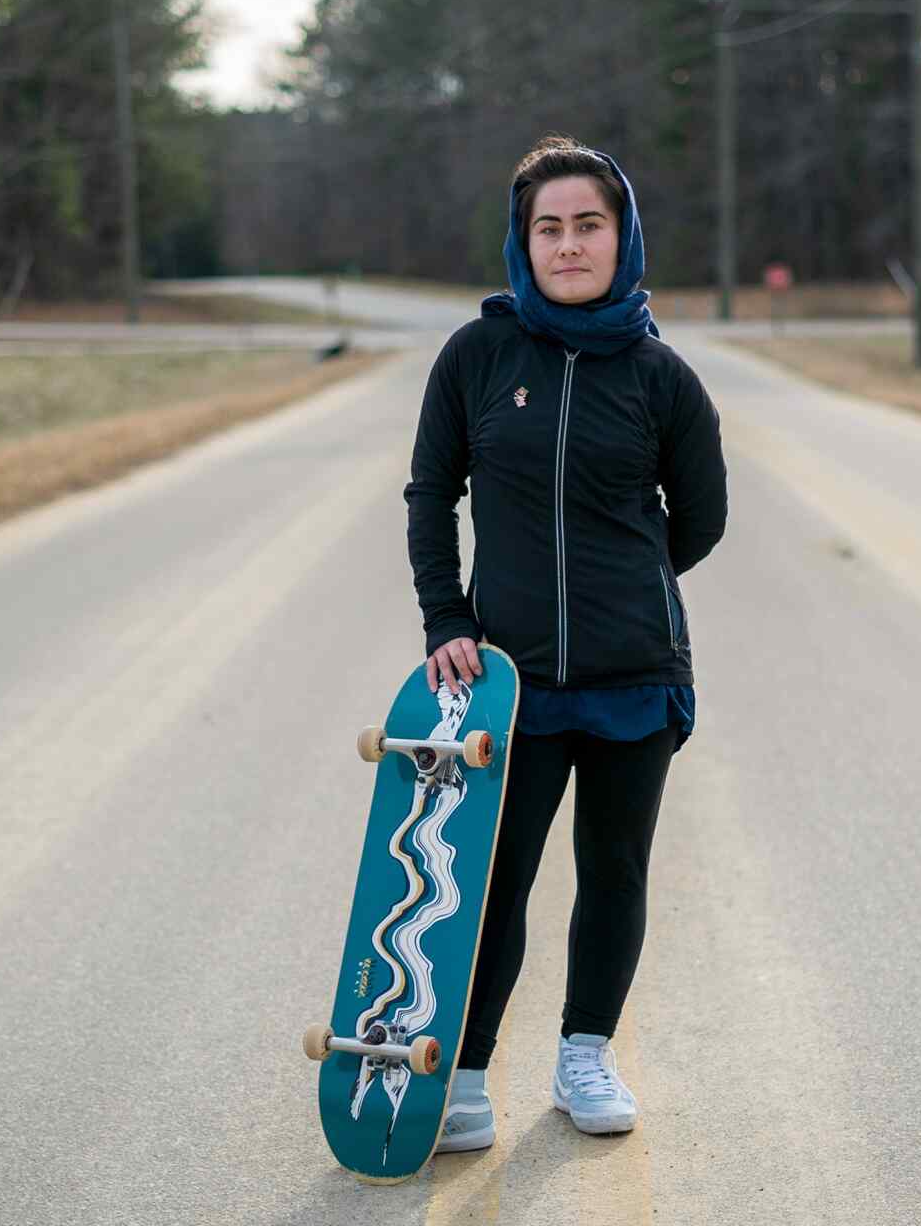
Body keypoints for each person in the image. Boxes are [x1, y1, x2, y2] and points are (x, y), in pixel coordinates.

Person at [403, 135, 727, 1152]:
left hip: (634, 676)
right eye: (550, 226)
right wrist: (449, 620)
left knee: (614, 868)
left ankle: (585, 1052)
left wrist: (622, 584)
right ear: (522, 240)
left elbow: (701, 520)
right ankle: (463, 1066)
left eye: (589, 223)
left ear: (620, 235)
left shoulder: (659, 376)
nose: (569, 242)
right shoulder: (476, 356)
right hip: (508, 683)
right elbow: (429, 493)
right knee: (493, 875)